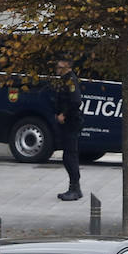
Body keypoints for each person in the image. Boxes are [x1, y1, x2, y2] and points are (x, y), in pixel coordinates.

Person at [54, 56, 84, 201]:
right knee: (68, 155)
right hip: (68, 122)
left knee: (69, 156)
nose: (57, 70)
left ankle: (75, 188)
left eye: (60, 67)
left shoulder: (70, 80)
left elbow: (76, 101)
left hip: (71, 121)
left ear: (68, 66)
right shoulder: (65, 80)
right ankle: (74, 187)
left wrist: (64, 114)